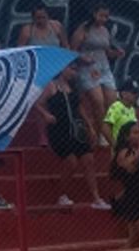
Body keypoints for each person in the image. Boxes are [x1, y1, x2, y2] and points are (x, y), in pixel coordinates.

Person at [34, 65, 110, 210]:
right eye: (71, 69)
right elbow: (37, 103)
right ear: (63, 69)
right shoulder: (52, 86)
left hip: (76, 127)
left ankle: (96, 197)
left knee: (89, 160)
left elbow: (79, 107)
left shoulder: (74, 87)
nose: (73, 72)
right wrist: (46, 114)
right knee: (71, 161)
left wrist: (89, 126)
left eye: (75, 69)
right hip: (59, 129)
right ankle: (62, 194)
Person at [73, 6, 123, 144]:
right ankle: (102, 134)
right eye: (101, 15)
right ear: (94, 14)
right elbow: (72, 50)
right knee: (98, 101)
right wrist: (83, 58)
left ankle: (106, 128)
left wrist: (116, 54)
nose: (103, 19)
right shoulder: (84, 29)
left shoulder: (105, 30)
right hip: (88, 69)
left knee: (112, 100)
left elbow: (107, 51)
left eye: (106, 16)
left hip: (104, 68)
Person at [110, 121, 139, 248]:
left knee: (135, 238)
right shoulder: (124, 151)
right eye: (135, 133)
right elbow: (129, 166)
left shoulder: (136, 151)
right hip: (135, 196)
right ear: (126, 137)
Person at [103, 80, 139, 148]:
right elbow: (105, 127)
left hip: (130, 147)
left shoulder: (132, 109)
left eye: (138, 93)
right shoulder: (116, 107)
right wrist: (114, 144)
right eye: (134, 93)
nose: (137, 95)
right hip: (121, 147)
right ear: (123, 94)